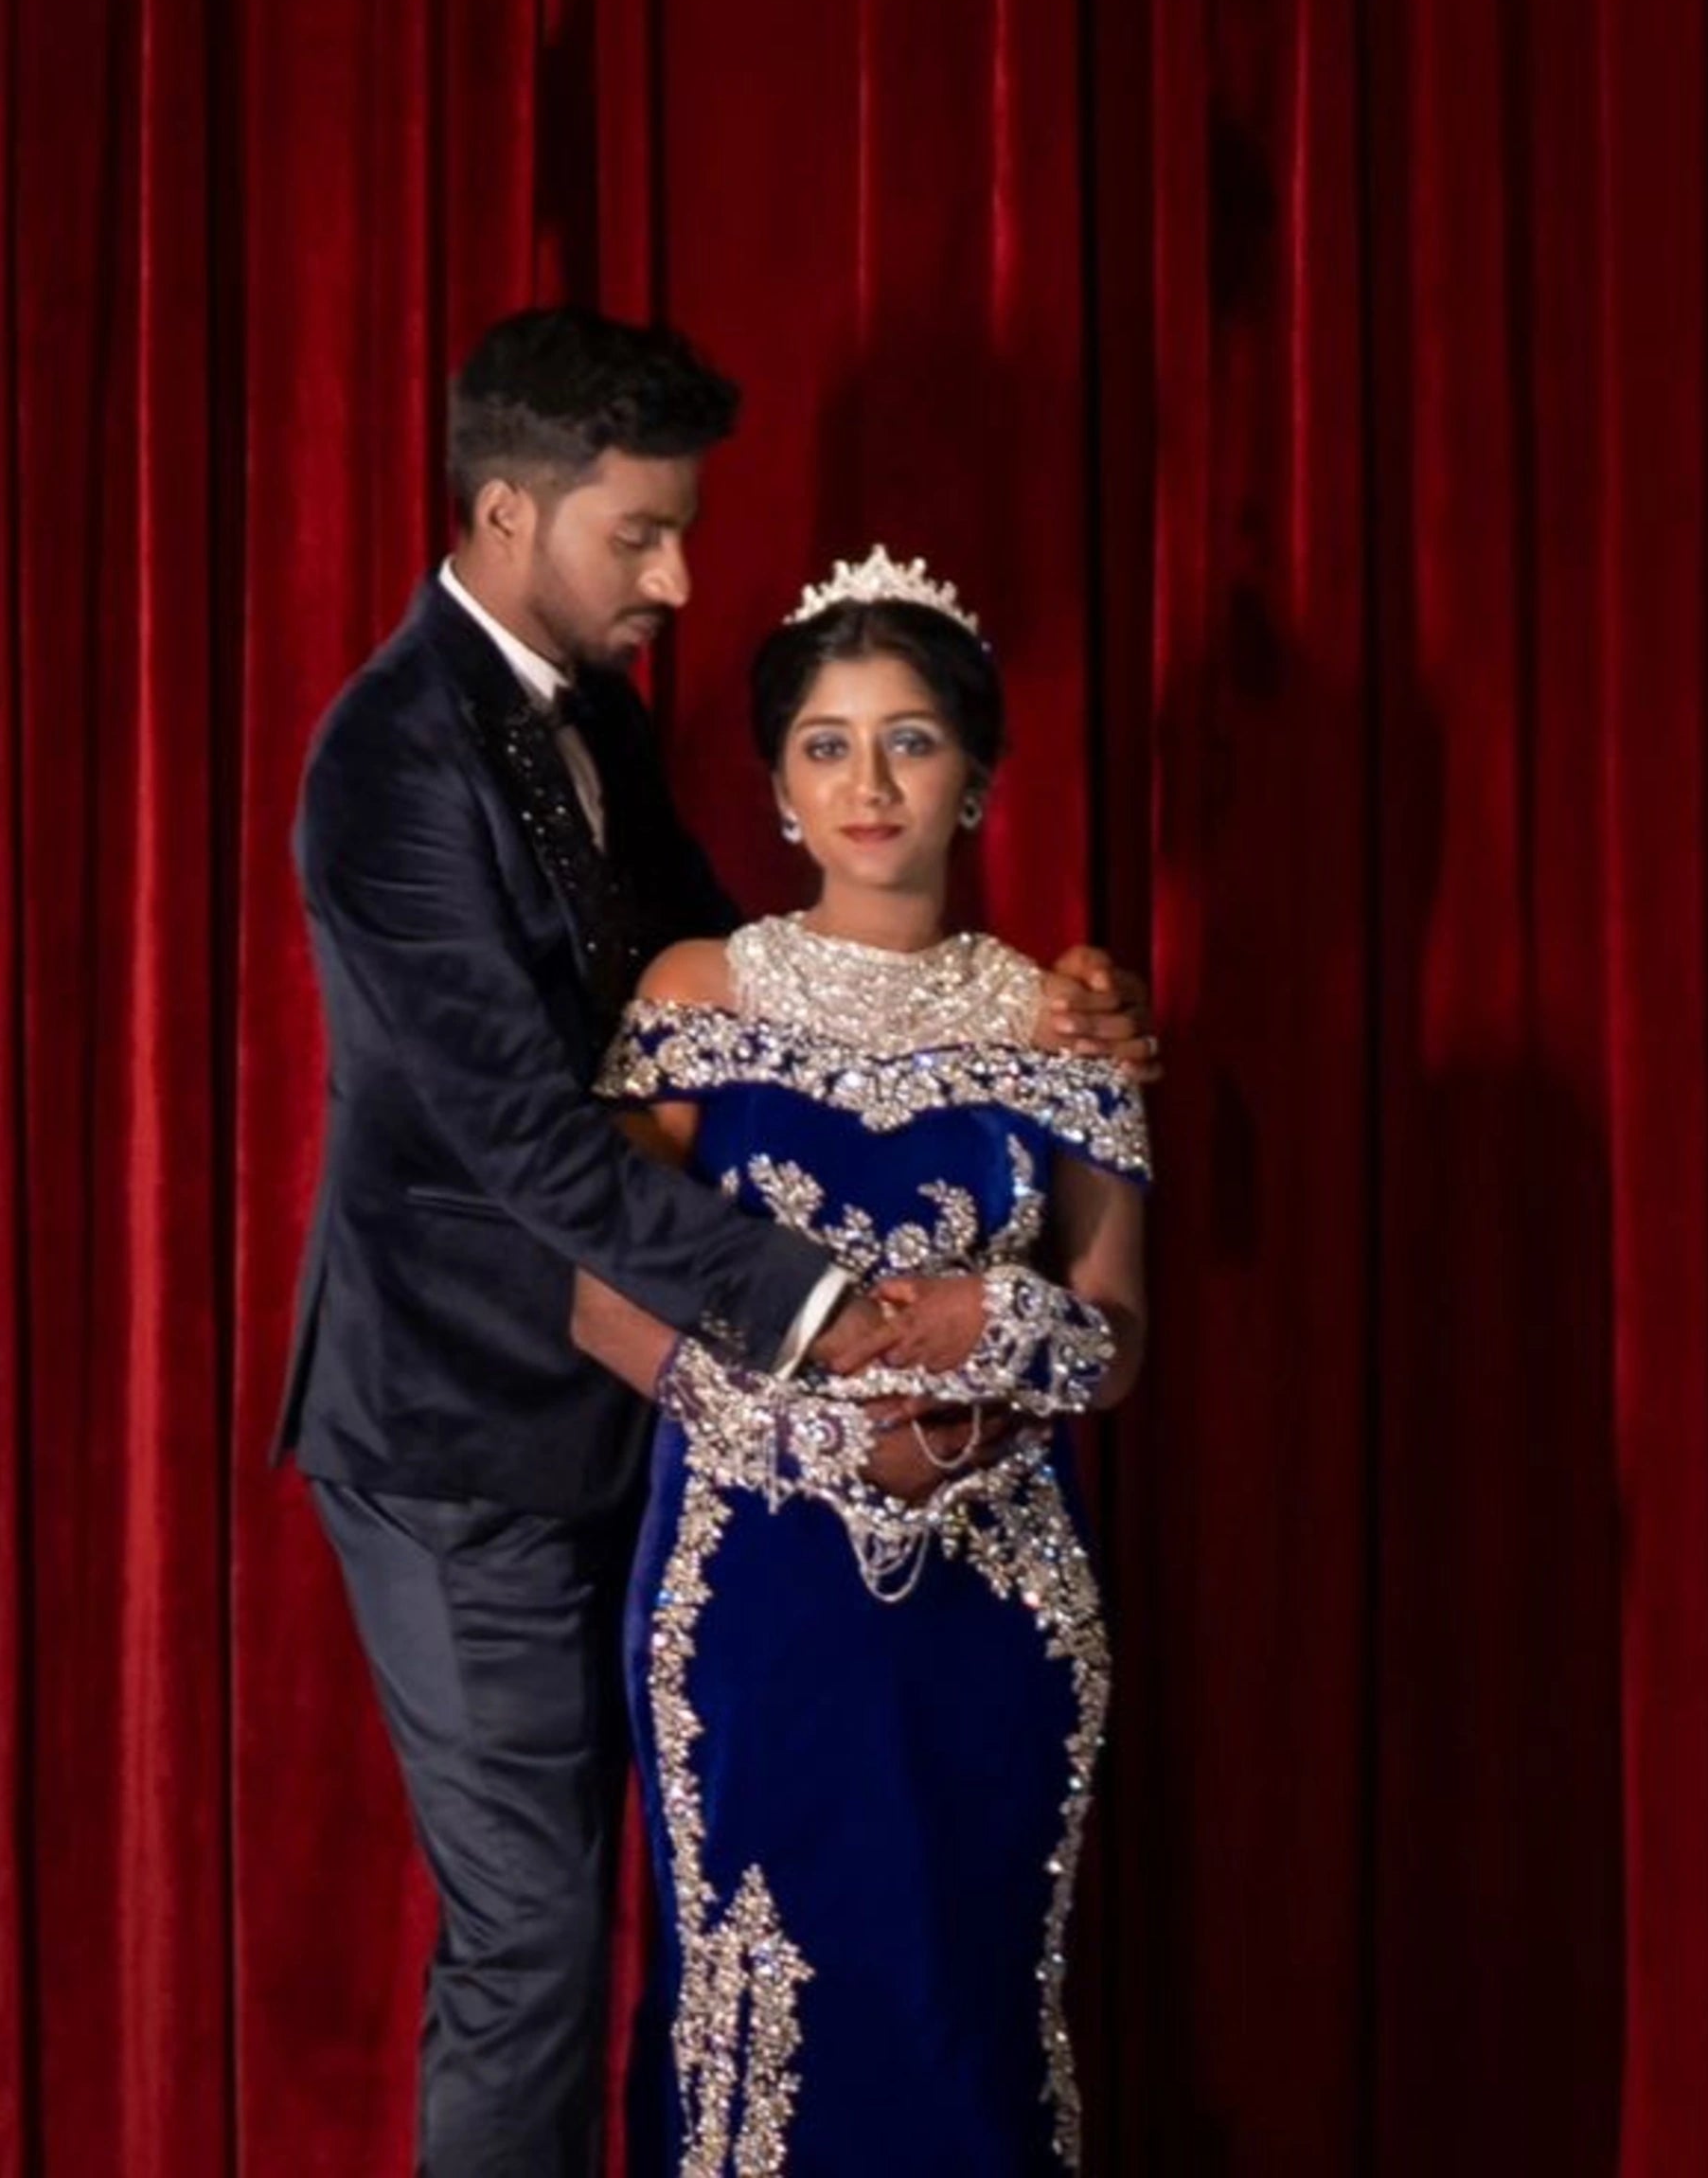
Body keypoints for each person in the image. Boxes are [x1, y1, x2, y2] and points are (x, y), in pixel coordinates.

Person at [281, 311, 1145, 2176]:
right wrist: (844, 1324)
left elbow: (740, 990)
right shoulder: (391, 763)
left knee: (711, 1918)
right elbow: (530, 1132)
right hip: (470, 1429)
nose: (677, 577)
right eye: (641, 533)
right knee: (533, 1941)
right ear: (507, 513)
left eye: (679, 532)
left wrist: (1047, 1014)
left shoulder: (584, 707)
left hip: (662, 1448)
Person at [576, 550, 1152, 2178]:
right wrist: (809, 1443)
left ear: (975, 774)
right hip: (752, 1582)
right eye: (825, 745)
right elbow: (599, 1298)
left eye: (909, 740)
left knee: (967, 2000)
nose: (869, 784)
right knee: (756, 1993)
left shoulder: (1057, 1023)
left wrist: (994, 1330)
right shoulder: (697, 991)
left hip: (999, 1589)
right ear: (775, 786)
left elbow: (1114, 1337)